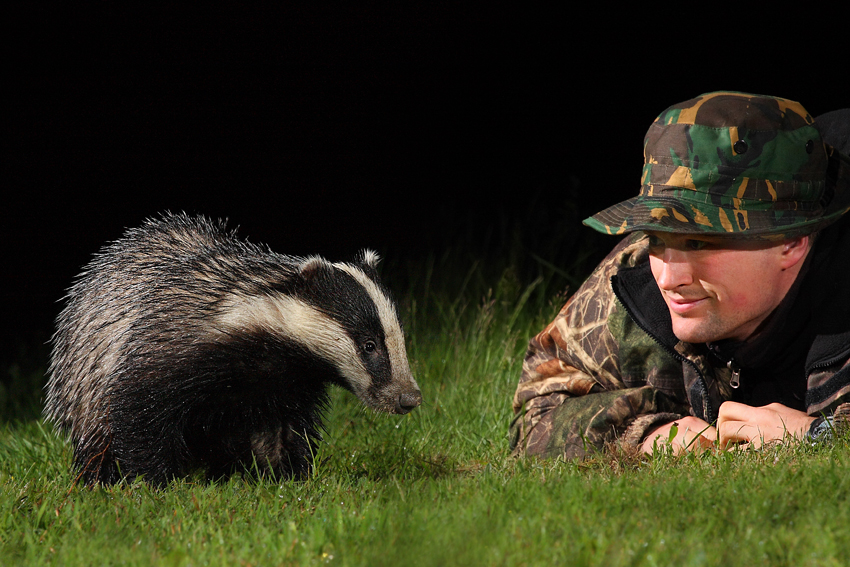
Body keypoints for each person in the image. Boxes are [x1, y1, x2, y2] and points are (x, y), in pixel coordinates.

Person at [509, 92, 850, 458]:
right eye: (656, 238)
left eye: (699, 243)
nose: (670, 279)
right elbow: (537, 410)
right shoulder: (637, 274)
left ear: (791, 242)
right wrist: (647, 434)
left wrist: (821, 436)